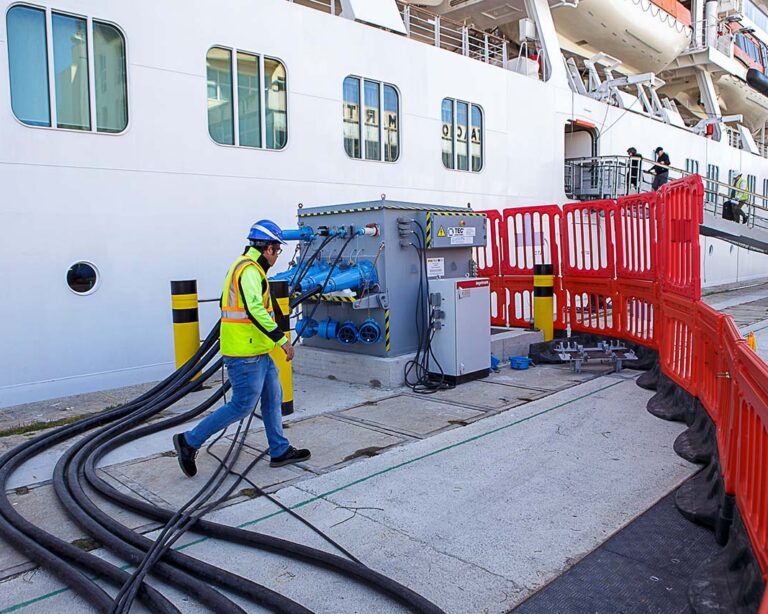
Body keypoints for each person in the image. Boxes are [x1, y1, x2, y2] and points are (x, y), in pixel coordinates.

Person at [173, 220, 311, 477]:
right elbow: (254, 310)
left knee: (272, 398)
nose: (277, 256)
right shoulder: (248, 271)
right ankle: (189, 441)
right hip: (245, 354)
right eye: (277, 251)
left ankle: (279, 450)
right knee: (242, 405)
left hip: (258, 350)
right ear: (268, 248)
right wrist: (282, 339)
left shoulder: (247, 268)